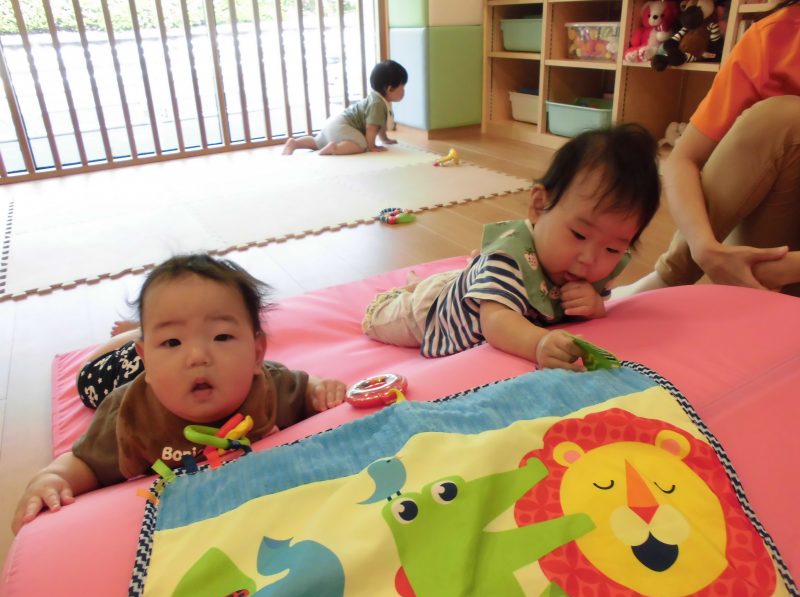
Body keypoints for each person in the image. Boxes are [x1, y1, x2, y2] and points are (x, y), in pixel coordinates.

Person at [12, 254, 346, 534]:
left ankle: (152, 335)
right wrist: (52, 478)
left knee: (179, 340)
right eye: (173, 341)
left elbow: (305, 390)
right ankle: (128, 341)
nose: (198, 356)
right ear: (150, 358)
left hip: (154, 356)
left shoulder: (267, 386)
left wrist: (320, 390)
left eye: (222, 336)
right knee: (87, 379)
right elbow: (84, 463)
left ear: (257, 353)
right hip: (118, 373)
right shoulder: (129, 417)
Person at [361, 124, 661, 370]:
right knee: (380, 321)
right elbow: (495, 320)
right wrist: (538, 344)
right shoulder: (511, 260)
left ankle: (449, 280)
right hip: (433, 313)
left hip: (480, 284)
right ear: (539, 206)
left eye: (612, 250)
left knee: (472, 280)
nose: (589, 260)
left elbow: (598, 297)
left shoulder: (593, 267)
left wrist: (595, 306)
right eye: (579, 235)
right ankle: (406, 293)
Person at [613, 0, 800, 298]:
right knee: (780, 119)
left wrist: (784, 268)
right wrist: (704, 250)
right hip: (778, 246)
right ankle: (662, 283)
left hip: (782, 269)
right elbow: (683, 159)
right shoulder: (775, 37)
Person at [282, 59, 407, 155]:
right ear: (390, 88)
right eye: (403, 87)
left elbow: (380, 126)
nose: (404, 91)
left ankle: (295, 143)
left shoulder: (377, 99)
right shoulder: (378, 104)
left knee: (318, 141)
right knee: (361, 144)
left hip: (335, 123)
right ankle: (334, 149)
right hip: (343, 126)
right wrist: (371, 146)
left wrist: (384, 139)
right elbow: (371, 128)